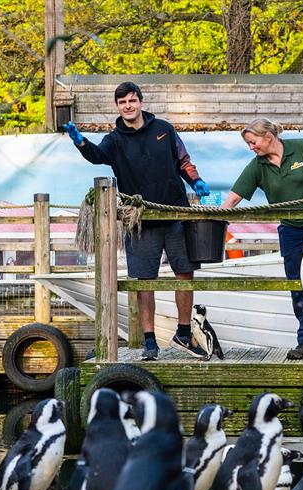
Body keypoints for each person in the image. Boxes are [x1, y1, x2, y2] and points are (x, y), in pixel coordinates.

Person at [63, 81, 211, 361]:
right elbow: (98, 156)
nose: (128, 106)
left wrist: (196, 180)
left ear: (141, 102)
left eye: (132, 100)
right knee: (145, 281)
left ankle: (182, 333)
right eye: (122, 103)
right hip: (140, 219)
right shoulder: (115, 139)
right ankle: (150, 341)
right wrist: (80, 141)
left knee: (184, 274)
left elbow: (182, 160)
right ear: (117, 107)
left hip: (175, 213)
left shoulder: (163, 130)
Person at [221, 118, 303, 360]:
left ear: (268, 136)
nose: (251, 147)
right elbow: (234, 197)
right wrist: (219, 215)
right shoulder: (257, 166)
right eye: (248, 144)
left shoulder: (302, 148)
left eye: (253, 142)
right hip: (291, 230)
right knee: (298, 286)